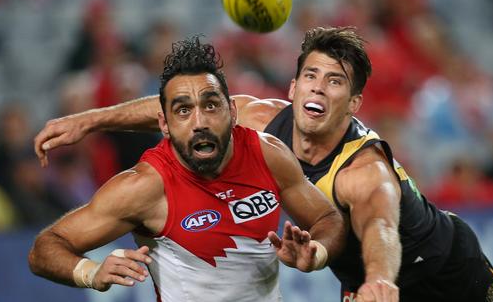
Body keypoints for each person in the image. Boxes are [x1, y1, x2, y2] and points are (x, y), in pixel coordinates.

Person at [34, 27, 493, 302]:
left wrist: (375, 278)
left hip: (436, 270)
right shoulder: (259, 123)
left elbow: (380, 228)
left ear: (354, 103)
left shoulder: (363, 169)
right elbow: (180, 107)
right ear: (291, 88)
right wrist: (93, 120)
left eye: (335, 81)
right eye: (310, 75)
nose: (318, 86)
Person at [28, 36, 346, 302]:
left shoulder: (267, 154)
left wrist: (315, 253)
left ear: (232, 111)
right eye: (183, 111)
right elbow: (45, 249)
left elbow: (327, 219)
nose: (199, 123)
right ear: (163, 124)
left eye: (211, 105)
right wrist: (90, 272)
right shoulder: (146, 188)